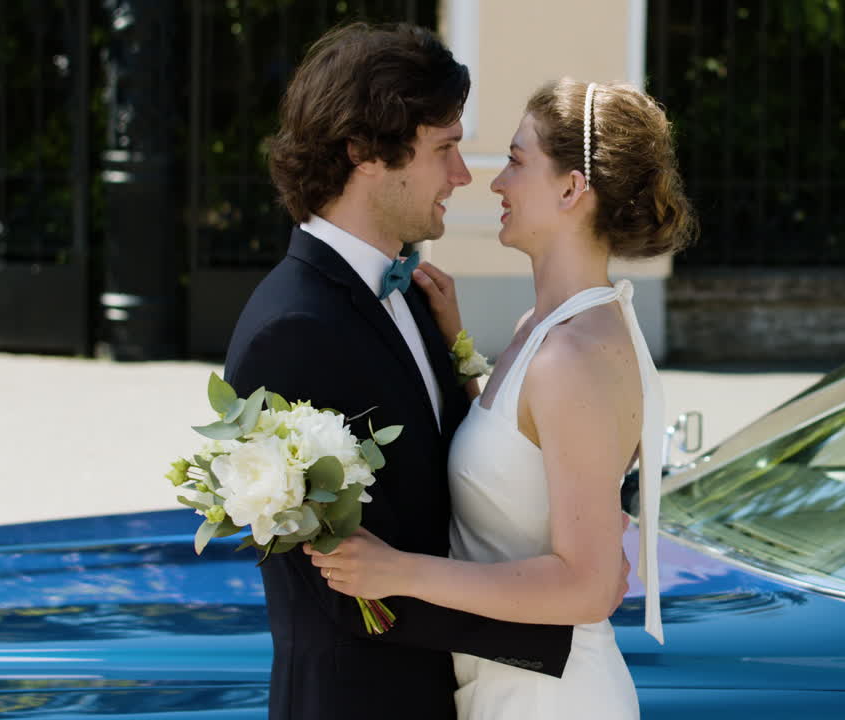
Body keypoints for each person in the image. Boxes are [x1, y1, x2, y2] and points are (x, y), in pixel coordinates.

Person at [223, 25, 629, 720]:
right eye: (444, 149)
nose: (464, 176)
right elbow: (345, 588)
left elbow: (456, 477)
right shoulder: (290, 332)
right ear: (364, 152)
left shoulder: (416, 295)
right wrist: (571, 616)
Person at [304, 78, 696, 718]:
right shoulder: (540, 331)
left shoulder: (574, 358)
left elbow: (590, 585)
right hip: (502, 683)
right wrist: (458, 353)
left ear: (572, 189)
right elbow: (521, 459)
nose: (494, 183)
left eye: (516, 161)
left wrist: (395, 572)